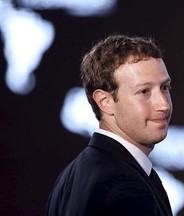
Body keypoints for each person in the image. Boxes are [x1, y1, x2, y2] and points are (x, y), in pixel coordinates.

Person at [46, 34, 173, 216]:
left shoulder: (69, 178)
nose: (164, 105)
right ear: (104, 101)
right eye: (144, 91)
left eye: (165, 88)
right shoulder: (125, 187)